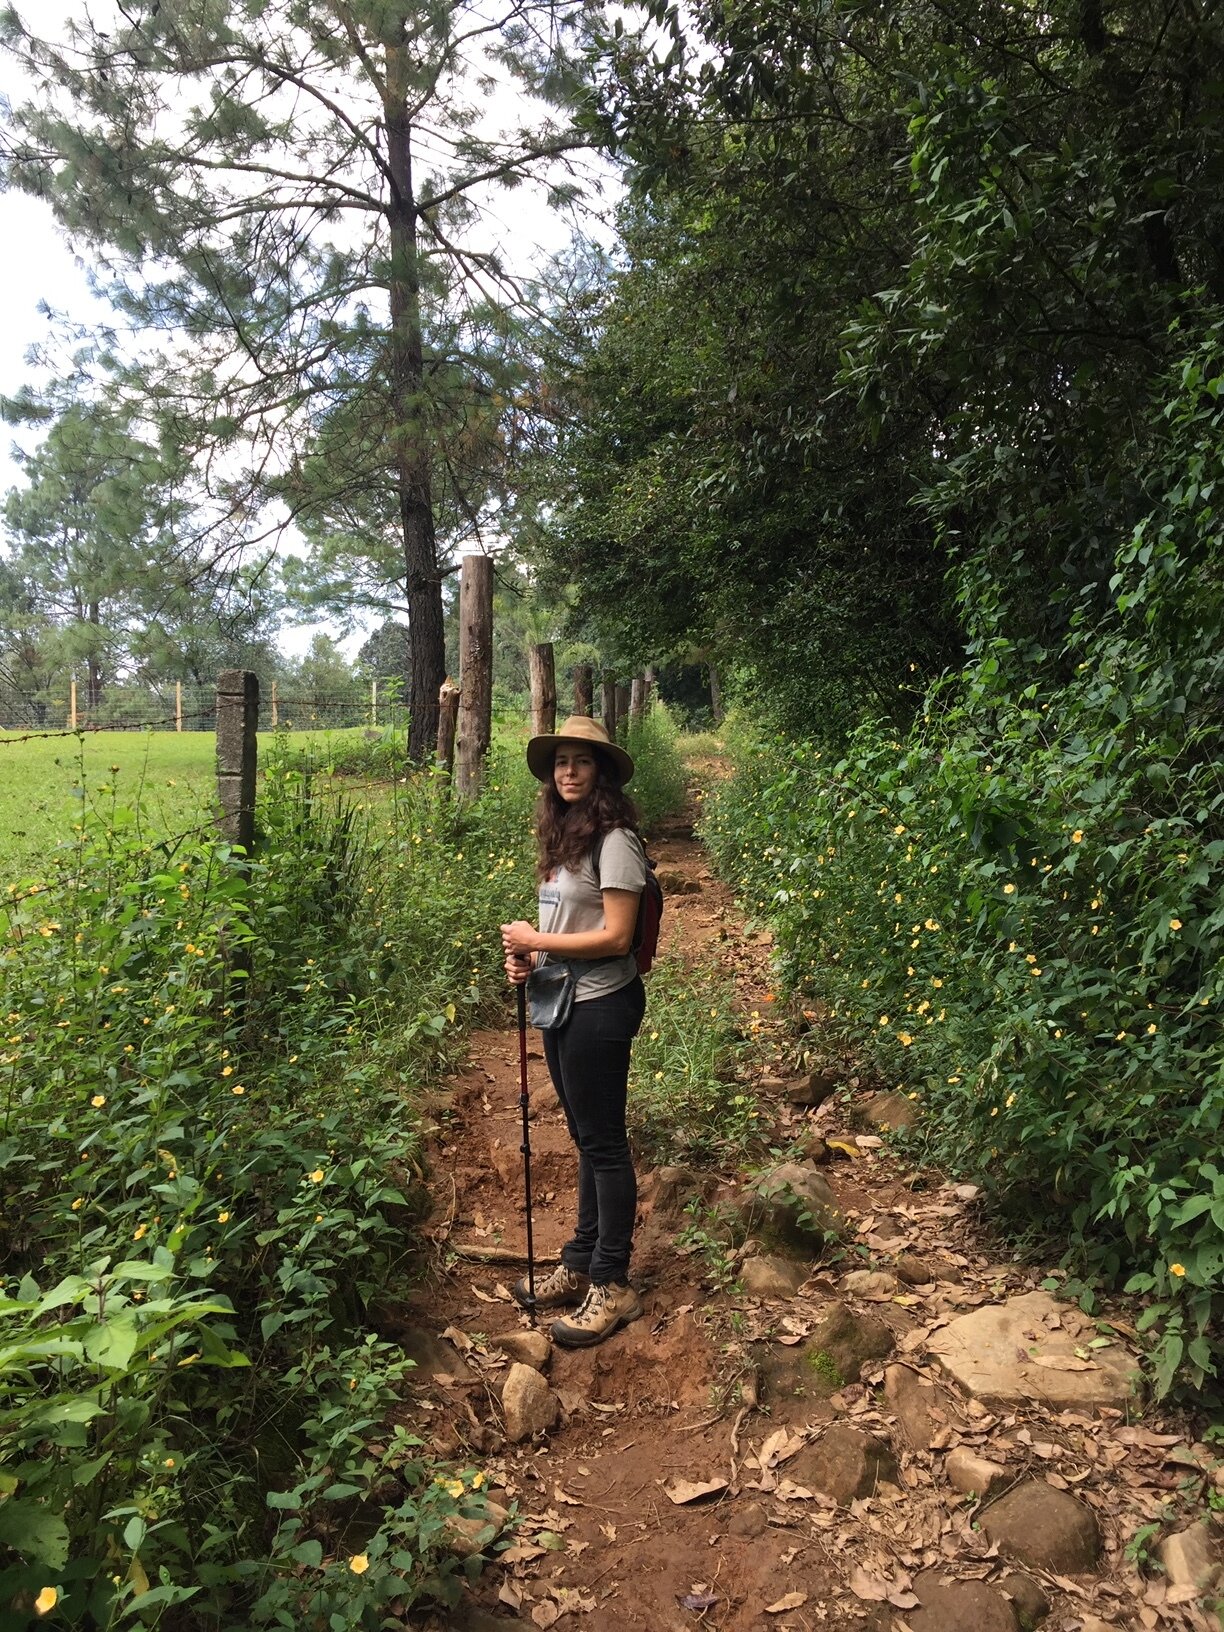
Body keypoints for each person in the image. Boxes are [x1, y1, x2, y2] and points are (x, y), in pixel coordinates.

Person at [501, 715, 648, 1348]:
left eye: (581, 762)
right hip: (562, 1000)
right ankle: (583, 1258)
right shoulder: (563, 839)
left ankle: (613, 1284)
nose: (568, 772)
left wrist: (538, 940)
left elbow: (616, 936)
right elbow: (570, 927)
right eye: (560, 762)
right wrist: (532, 957)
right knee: (586, 1138)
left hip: (600, 1004)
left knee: (604, 1143)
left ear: (602, 773)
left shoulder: (614, 840)